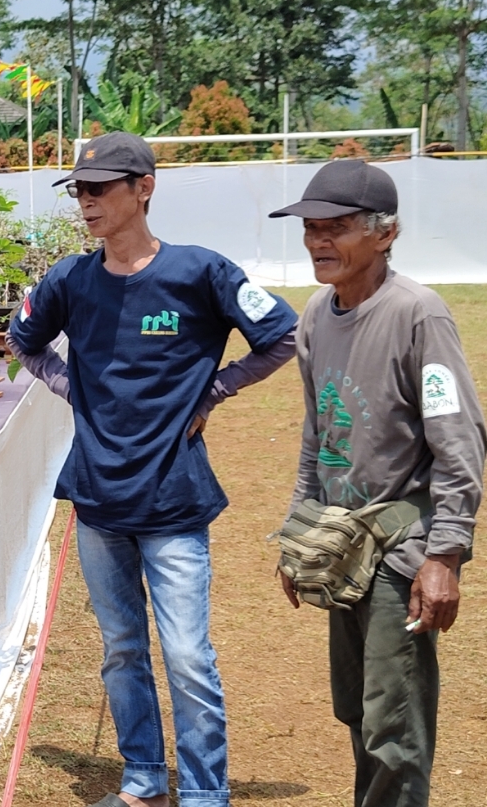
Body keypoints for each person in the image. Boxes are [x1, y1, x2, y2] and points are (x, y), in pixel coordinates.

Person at [8, 131, 299, 807]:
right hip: (98, 502)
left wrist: (215, 391)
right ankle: (143, 780)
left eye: (100, 188)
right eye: (79, 190)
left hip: (172, 501)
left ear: (145, 188)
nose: (86, 202)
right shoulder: (70, 280)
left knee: (189, 657)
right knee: (121, 652)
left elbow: (281, 335)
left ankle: (203, 792)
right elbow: (24, 343)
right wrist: (70, 386)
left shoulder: (200, 273)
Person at [269, 160, 485, 807]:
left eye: (335, 228)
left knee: (395, 729)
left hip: (402, 551)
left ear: (385, 234)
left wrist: (443, 556)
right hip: (342, 547)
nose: (317, 242)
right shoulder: (314, 316)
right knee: (359, 715)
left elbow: (461, 443)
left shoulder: (421, 317)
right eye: (310, 228)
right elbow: (318, 434)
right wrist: (298, 531)